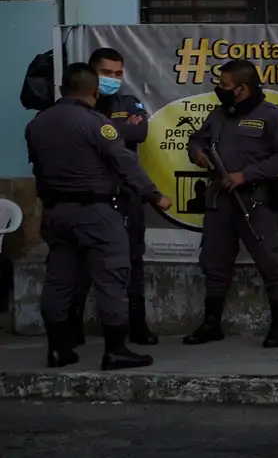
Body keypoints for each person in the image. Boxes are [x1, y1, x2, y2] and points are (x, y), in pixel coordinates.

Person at [25, 62, 172, 370]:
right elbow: (125, 163)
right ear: (93, 91)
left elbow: (38, 170)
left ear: (63, 89)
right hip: (96, 212)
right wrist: (155, 195)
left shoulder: (38, 123)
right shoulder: (96, 123)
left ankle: (57, 350)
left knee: (59, 281)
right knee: (112, 277)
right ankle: (115, 350)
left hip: (56, 213)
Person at [183, 59, 278, 348]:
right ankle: (211, 323)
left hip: (255, 202)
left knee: (271, 263)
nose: (219, 89)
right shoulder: (219, 114)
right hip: (220, 201)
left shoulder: (271, 116)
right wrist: (196, 152)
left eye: (225, 85)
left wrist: (245, 175)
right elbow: (198, 138)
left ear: (243, 88)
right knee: (214, 262)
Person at [68, 47, 159, 348]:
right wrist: (118, 129)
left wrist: (104, 131)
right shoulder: (77, 107)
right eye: (107, 73)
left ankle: (138, 325)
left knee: (133, 260)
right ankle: (73, 326)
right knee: (80, 261)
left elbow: (140, 132)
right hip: (90, 196)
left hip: (127, 193)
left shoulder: (128, 101)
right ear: (92, 74)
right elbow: (110, 135)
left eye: (118, 73)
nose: (113, 79)